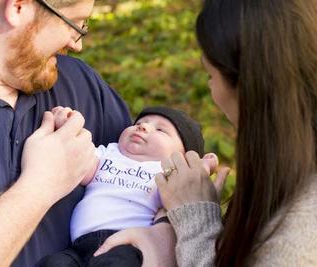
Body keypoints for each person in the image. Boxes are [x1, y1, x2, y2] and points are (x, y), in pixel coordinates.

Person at [0, 0, 176, 266]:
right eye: (75, 23)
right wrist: (42, 185)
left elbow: (156, 175)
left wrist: (166, 229)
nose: (77, 44)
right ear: (17, 7)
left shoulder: (80, 83)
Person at [95, 0, 317, 266]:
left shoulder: (300, 233)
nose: (211, 91)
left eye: (210, 76)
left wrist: (197, 220)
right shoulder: (291, 165)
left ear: (247, 86)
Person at [38, 106, 218, 266]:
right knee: (55, 262)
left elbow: (182, 192)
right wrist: (66, 126)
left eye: (161, 130)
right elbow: (78, 162)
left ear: (183, 156)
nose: (143, 127)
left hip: (129, 245)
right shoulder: (108, 152)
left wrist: (201, 168)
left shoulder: (167, 170)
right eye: (139, 123)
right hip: (80, 245)